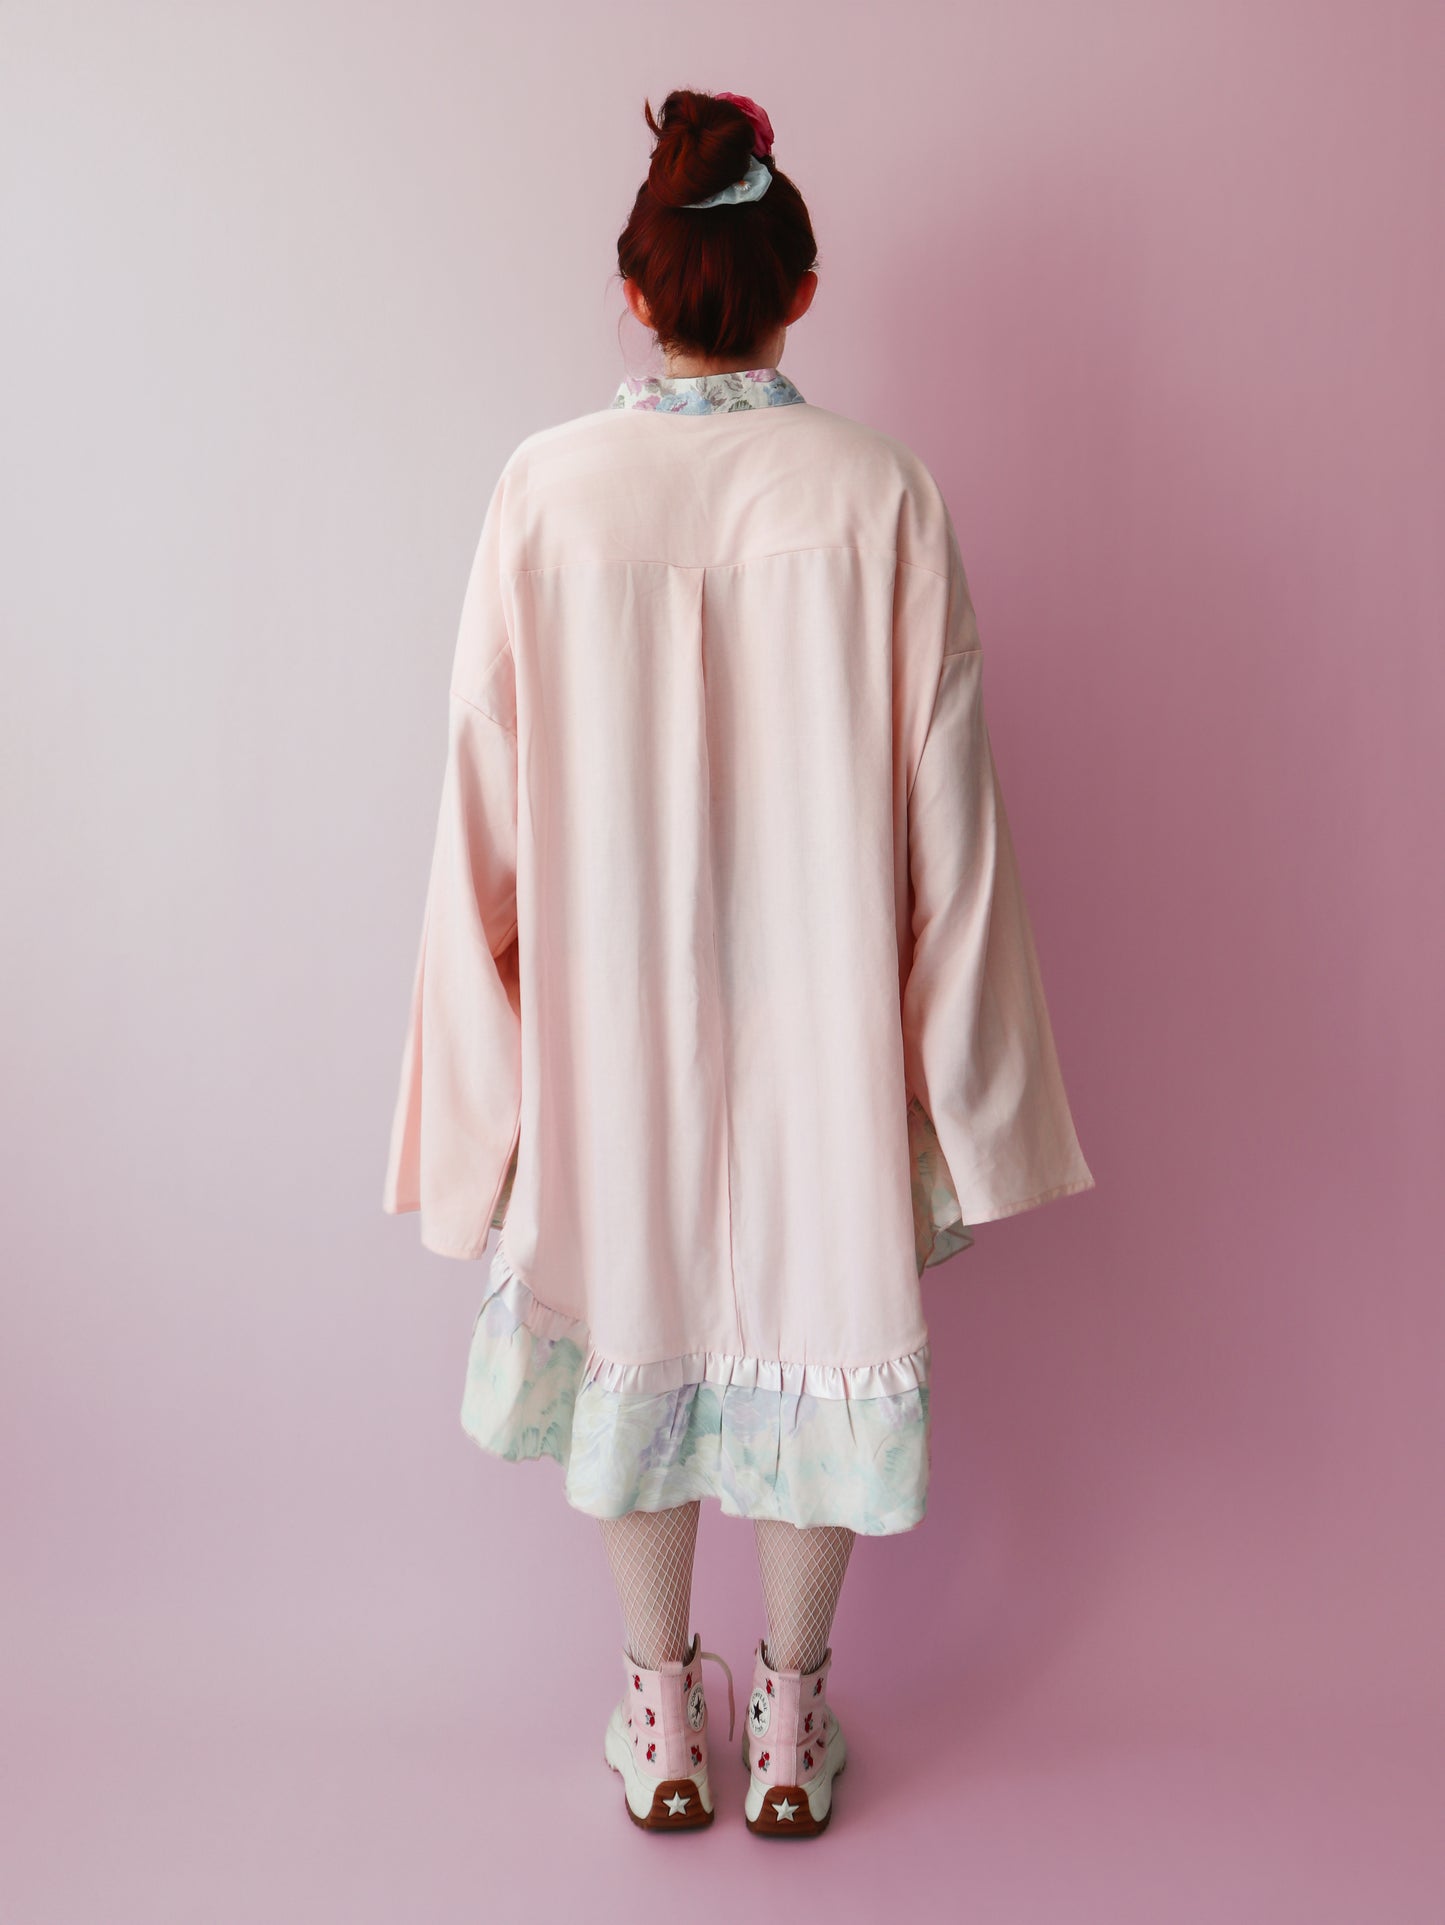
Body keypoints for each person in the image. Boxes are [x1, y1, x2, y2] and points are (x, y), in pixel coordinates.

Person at [381, 87, 1096, 1837]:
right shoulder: (882, 495)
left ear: (636, 291)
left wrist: (478, 1116)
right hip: (820, 1019)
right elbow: (953, 829)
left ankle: (660, 1712)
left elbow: (476, 816)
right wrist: (966, 1096)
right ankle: (788, 1715)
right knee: (816, 1323)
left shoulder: (545, 491)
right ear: (800, 288)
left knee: (635, 1324)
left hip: (609, 1029)